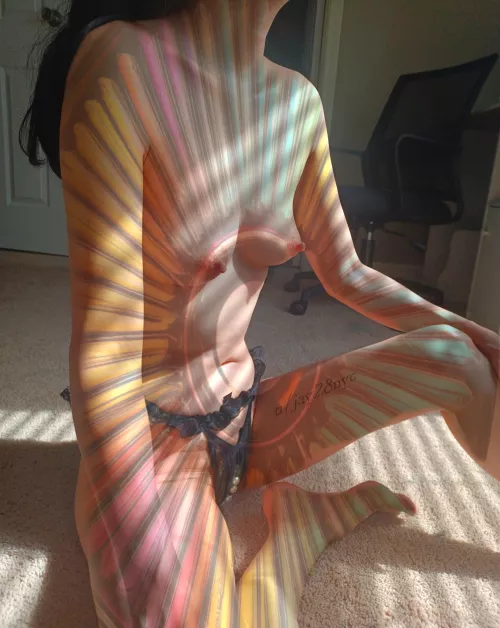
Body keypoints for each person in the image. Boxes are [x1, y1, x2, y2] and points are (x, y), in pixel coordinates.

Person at [20, 1, 499, 626]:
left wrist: (476, 333)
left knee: (461, 362)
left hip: (251, 419)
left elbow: (347, 273)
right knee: (169, 608)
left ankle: (291, 525)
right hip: (154, 436)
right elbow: (104, 350)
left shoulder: (299, 104)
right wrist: (140, 529)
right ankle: (296, 539)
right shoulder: (123, 64)